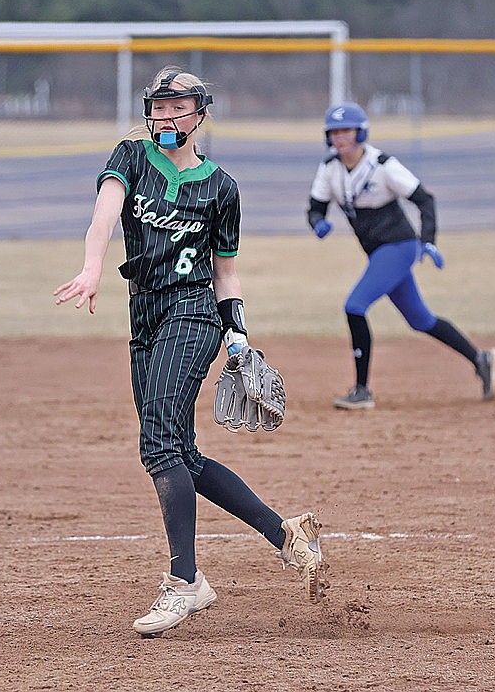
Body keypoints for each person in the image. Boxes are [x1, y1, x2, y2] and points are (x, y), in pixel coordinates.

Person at [53, 67, 327, 637]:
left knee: (156, 443)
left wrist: (239, 335)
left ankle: (184, 583)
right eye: (158, 105)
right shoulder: (130, 157)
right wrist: (92, 266)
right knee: (182, 454)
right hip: (145, 317)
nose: (165, 116)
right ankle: (286, 536)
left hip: (194, 314)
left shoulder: (221, 188)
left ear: (200, 114)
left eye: (178, 106)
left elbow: (226, 275)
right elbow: (104, 214)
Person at [306, 102, 495, 410]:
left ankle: (361, 390)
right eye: (334, 132)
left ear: (361, 132)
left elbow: (424, 199)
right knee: (421, 320)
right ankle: (480, 358)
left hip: (399, 247)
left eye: (347, 130)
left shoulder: (382, 164)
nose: (340, 137)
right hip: (378, 253)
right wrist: (318, 223)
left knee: (354, 306)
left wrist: (429, 241)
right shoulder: (330, 169)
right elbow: (315, 208)